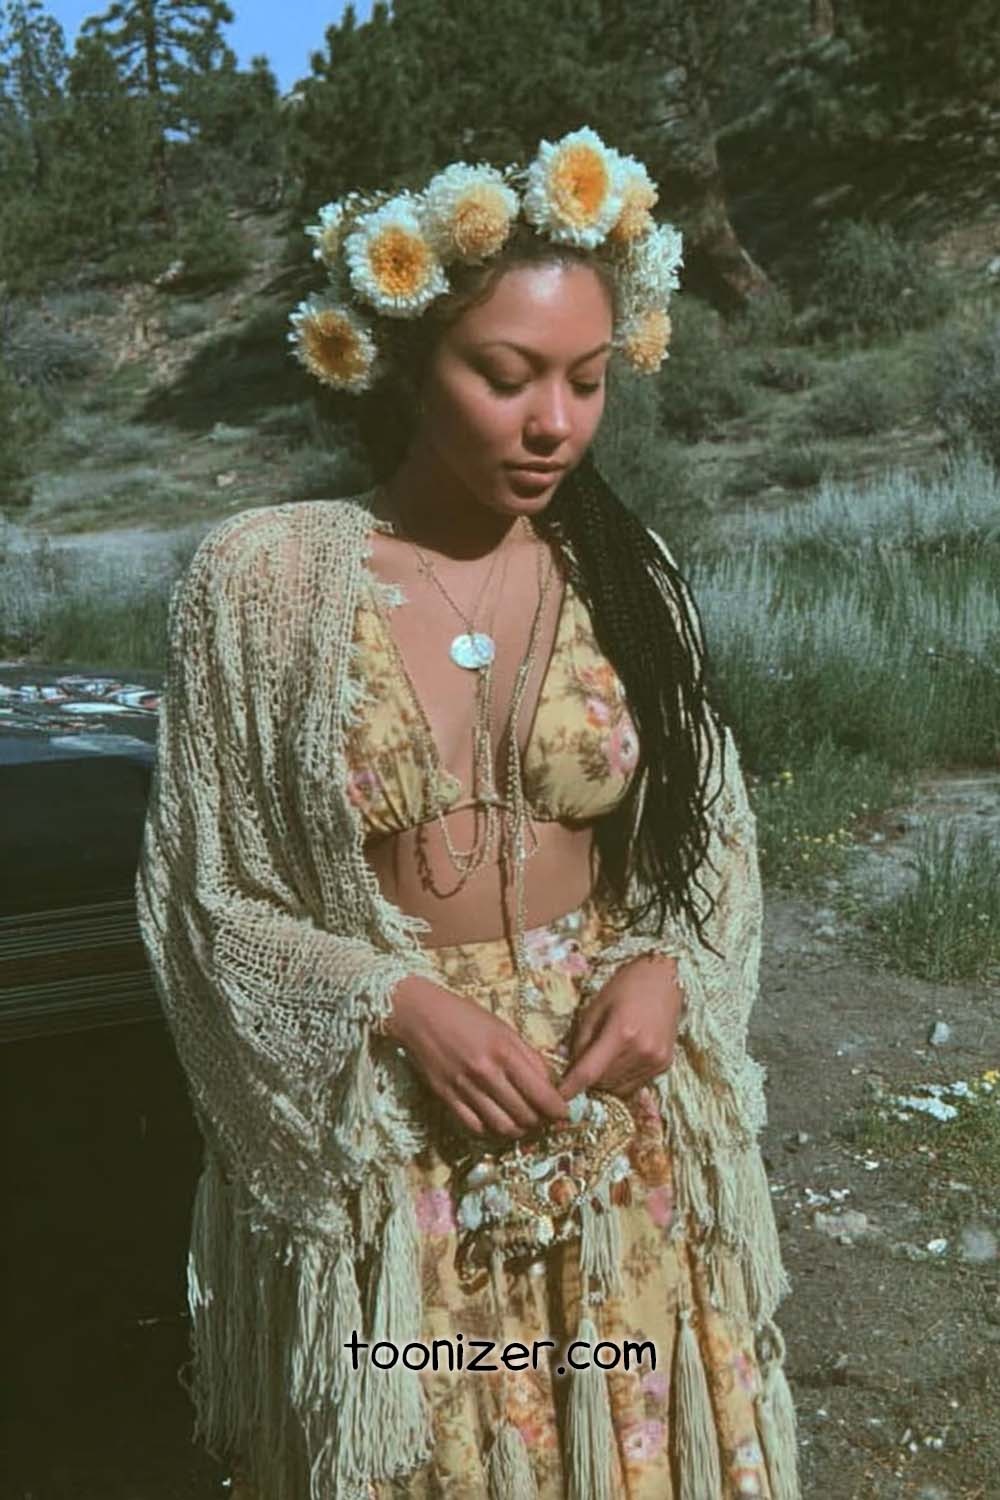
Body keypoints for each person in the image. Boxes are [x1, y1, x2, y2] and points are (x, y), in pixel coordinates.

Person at [135, 127, 800, 1500]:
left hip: (611, 1108)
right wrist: (394, 1001)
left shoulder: (625, 569)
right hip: (403, 1127)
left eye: (586, 380)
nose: (555, 422)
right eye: (505, 377)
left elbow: (710, 833)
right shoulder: (264, 583)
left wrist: (670, 966)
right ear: (404, 361)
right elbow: (207, 894)